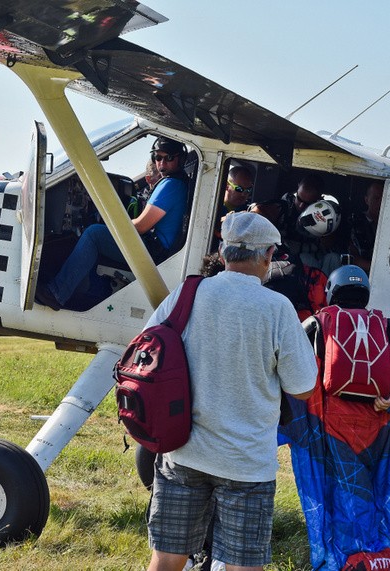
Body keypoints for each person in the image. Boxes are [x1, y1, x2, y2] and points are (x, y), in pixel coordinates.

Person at [144, 211, 317, 571]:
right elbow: (303, 388)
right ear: (268, 255)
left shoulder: (186, 294)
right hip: (246, 463)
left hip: (184, 452)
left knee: (167, 558)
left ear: (223, 254)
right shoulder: (277, 309)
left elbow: (146, 354)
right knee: (242, 565)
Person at [279, 264, 390, 571]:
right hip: (379, 426)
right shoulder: (387, 326)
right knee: (371, 493)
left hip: (330, 428)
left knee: (340, 497)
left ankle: (343, 560)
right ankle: (378, 556)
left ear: (331, 292)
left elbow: (285, 357)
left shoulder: (317, 323)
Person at [35, 137, 188, 310]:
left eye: (168, 158)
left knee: (93, 235)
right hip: (156, 248)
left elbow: (140, 226)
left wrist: (113, 221)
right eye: (157, 158)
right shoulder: (177, 184)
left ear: (180, 159)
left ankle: (57, 293)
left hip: (153, 251)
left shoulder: (171, 185)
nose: (161, 163)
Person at [348, 180, 384, 273]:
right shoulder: (354, 223)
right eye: (376, 198)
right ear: (366, 200)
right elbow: (352, 257)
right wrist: (376, 268)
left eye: (384, 199)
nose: (381, 203)